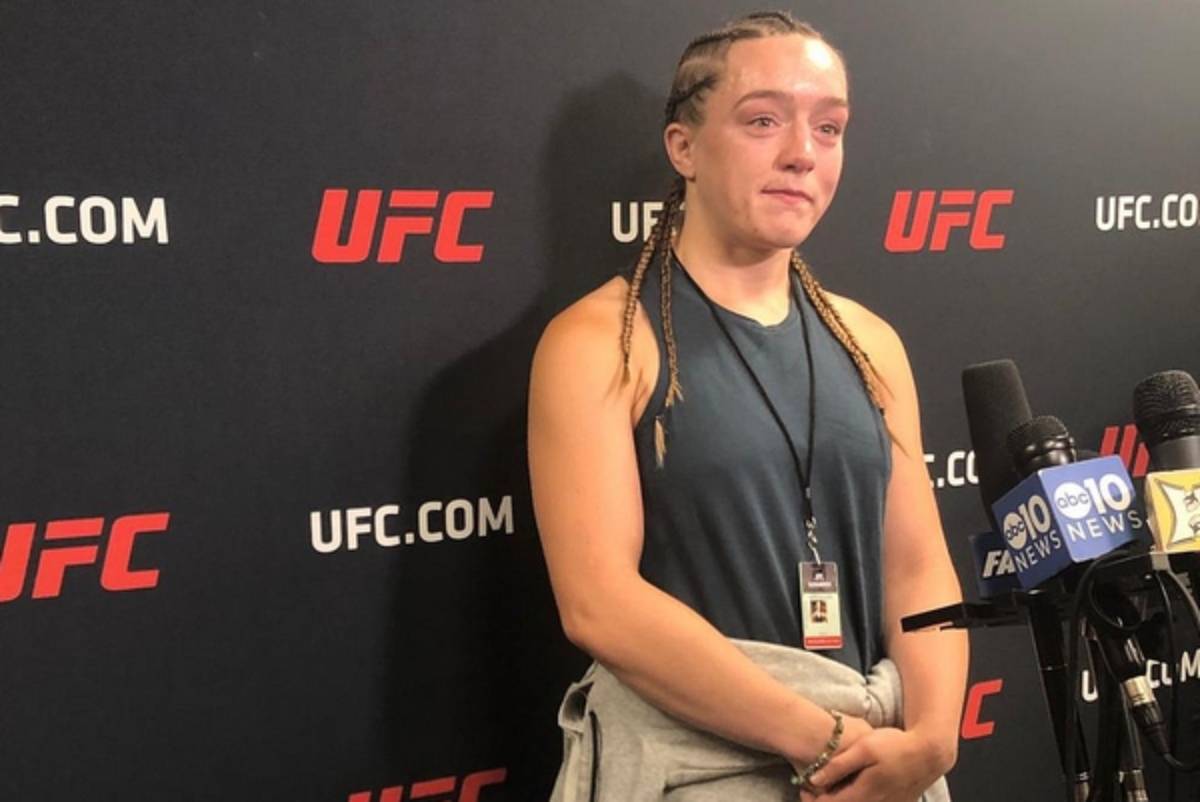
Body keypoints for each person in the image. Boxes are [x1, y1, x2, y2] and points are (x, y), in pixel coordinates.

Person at [528, 11, 967, 801]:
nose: (802, 152)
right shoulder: (601, 341)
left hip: (878, 766)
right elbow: (599, 603)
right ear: (684, 147)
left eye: (829, 128)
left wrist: (932, 741)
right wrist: (820, 739)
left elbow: (916, 566)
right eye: (764, 120)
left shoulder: (869, 342)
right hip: (704, 767)